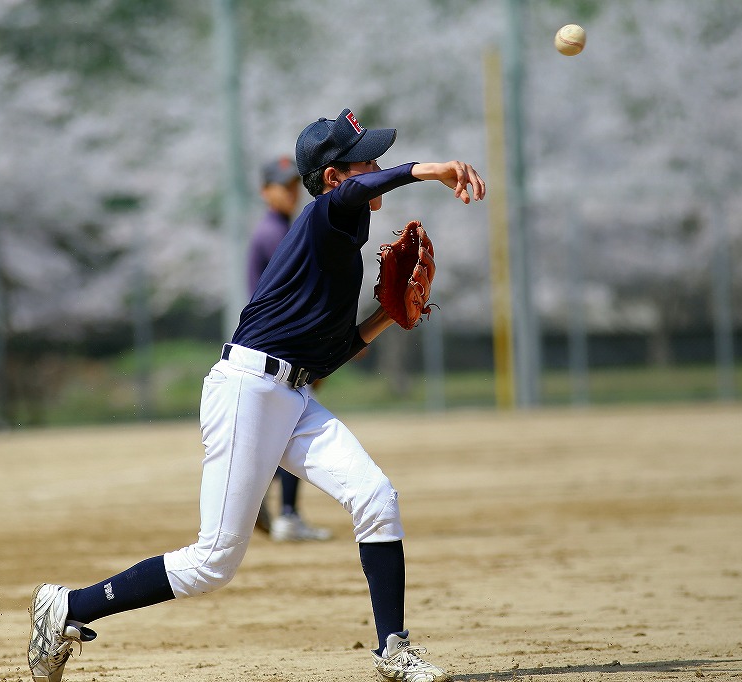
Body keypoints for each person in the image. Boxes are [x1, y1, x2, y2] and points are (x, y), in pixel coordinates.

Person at [27, 107, 486, 682]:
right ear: (335, 177)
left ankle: (393, 648)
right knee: (213, 562)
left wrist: (387, 317)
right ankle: (67, 606)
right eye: (364, 158)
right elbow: (366, 186)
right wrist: (432, 169)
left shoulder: (343, 238)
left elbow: (329, 354)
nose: (376, 164)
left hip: (290, 394)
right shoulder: (327, 211)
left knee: (376, 497)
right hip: (247, 390)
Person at [248, 155, 331, 542]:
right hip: (283, 345)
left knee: (282, 431)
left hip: (278, 343)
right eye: (282, 185)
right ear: (265, 191)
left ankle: (276, 505)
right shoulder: (274, 233)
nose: (291, 192)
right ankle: (285, 513)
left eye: (294, 185)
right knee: (292, 430)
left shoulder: (278, 229)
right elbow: (303, 292)